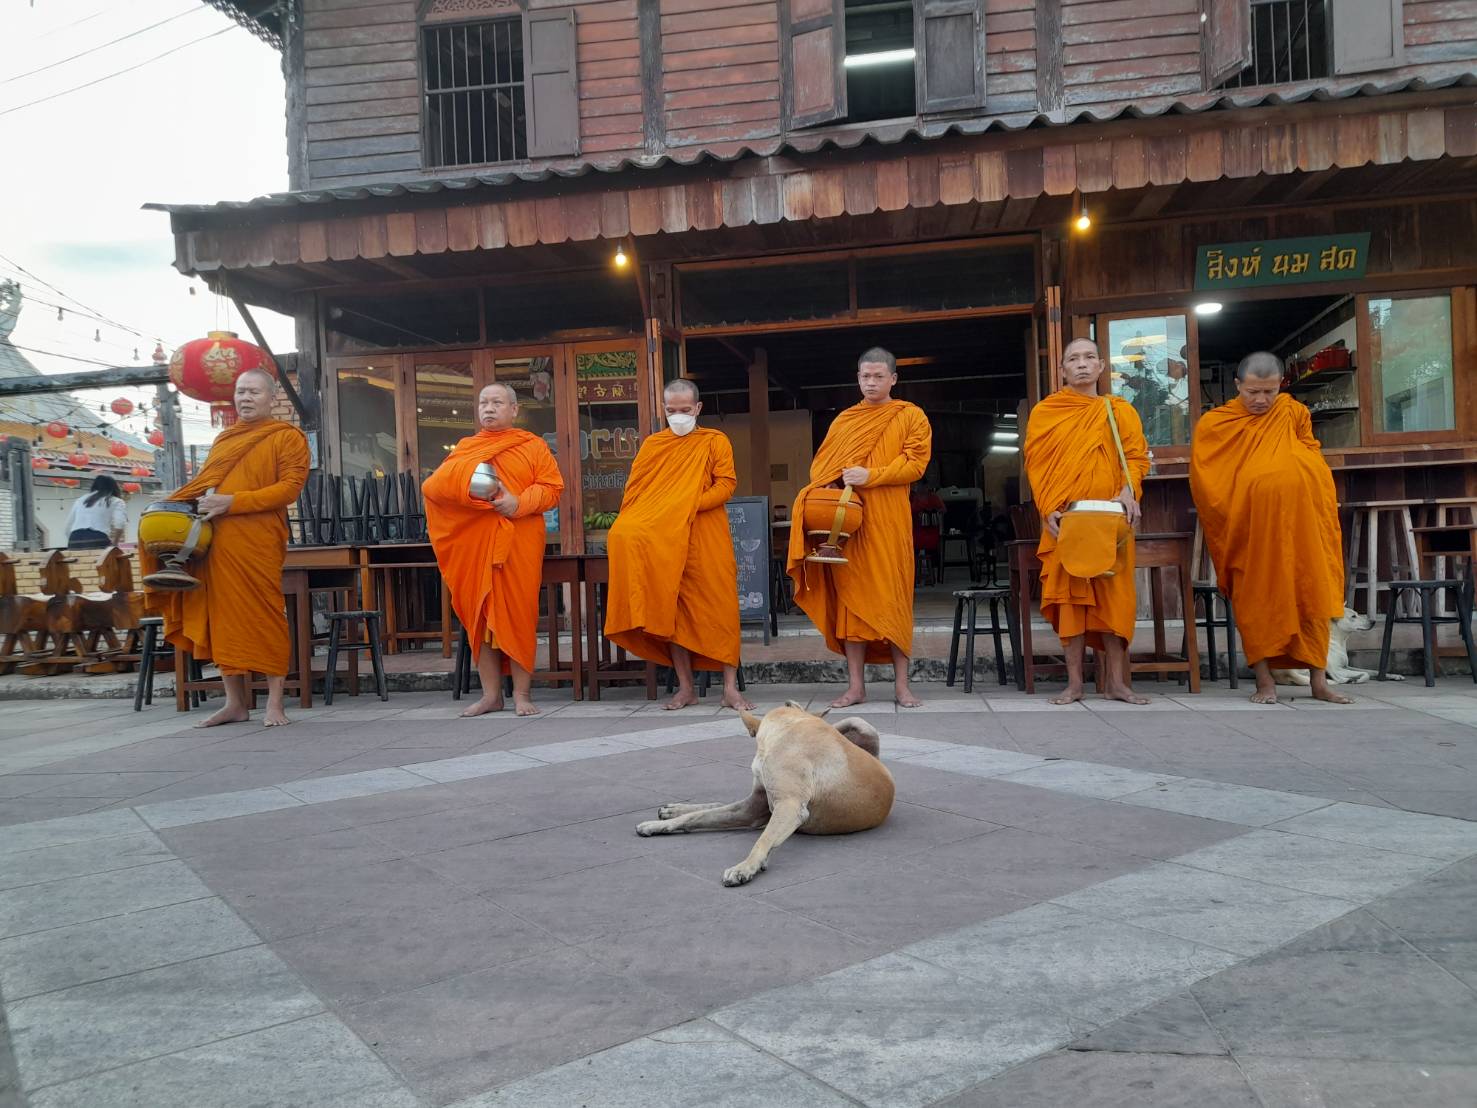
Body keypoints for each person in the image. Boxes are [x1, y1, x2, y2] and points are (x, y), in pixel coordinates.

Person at [141, 368, 310, 727]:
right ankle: (235, 703)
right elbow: (206, 486)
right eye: (240, 392)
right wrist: (181, 501)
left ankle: (275, 703)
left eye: (253, 392)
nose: (245, 398)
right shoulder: (224, 440)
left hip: (258, 540)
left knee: (265, 614)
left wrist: (232, 502)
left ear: (272, 397)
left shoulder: (287, 437)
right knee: (222, 619)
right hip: (216, 542)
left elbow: (288, 490)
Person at [1190, 351, 1350, 705]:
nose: (1261, 400)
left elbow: (1311, 452)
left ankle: (1319, 683)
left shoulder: (1293, 412)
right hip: (1252, 533)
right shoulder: (1217, 424)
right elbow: (1208, 482)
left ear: (1281, 386)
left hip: (1301, 528)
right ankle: (1265, 683)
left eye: (1269, 391)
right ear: (1237, 387)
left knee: (1311, 596)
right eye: (1252, 392)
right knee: (1257, 602)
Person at [788, 347, 932, 708]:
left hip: (890, 522)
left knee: (895, 600)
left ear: (893, 379)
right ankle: (856, 687)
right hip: (851, 524)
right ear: (857, 378)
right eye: (865, 376)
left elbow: (915, 465)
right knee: (852, 604)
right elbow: (820, 469)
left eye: (878, 376)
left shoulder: (910, 416)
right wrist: (833, 482)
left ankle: (902, 687)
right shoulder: (845, 421)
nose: (871, 382)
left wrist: (872, 476)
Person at [604, 379, 754, 711]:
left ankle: (730, 689)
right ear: (664, 410)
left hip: (705, 536)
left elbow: (726, 485)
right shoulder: (653, 446)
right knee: (672, 611)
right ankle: (686, 687)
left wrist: (687, 504)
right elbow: (637, 495)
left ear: (698, 409)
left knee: (721, 609)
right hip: (664, 542)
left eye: (685, 410)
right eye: (671, 411)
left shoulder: (715, 441)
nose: (678, 416)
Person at [423, 382, 564, 717]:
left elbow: (552, 489)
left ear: (514, 409)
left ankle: (522, 694)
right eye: (483, 402)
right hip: (476, 544)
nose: (489, 408)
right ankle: (491, 695)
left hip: (518, 541)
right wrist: (471, 497)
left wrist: (517, 502)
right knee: (480, 616)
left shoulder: (532, 446)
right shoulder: (465, 449)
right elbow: (434, 487)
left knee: (517, 615)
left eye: (497, 402)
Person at [1023, 337, 1151, 705]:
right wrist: (1047, 507)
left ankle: (1116, 683)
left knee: (1113, 600)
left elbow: (1136, 458)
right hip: (1068, 520)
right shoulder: (1047, 412)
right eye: (1073, 359)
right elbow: (1037, 465)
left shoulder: (1119, 410)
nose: (1081, 364)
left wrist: (1130, 491)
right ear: (1062, 370)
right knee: (1071, 602)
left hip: (1110, 520)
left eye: (1089, 357)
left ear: (1101, 366)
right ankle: (1075, 683)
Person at [66, 475, 127, 549]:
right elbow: (120, 523)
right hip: (97, 538)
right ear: (114, 487)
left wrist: (74, 540)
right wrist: (115, 543)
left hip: (74, 538)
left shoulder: (81, 499)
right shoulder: (116, 501)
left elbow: (68, 526)